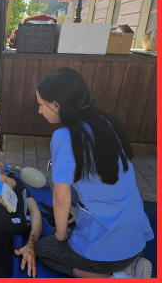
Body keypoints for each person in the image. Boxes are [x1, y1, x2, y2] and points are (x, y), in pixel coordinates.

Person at [33, 67, 154, 278]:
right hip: (135, 238)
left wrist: (61, 235)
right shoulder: (107, 123)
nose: (39, 112)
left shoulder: (64, 136)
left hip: (107, 249)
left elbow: (61, 196)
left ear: (56, 105)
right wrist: (80, 217)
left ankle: (117, 276)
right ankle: (130, 264)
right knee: (64, 230)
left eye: (41, 105)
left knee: (45, 249)